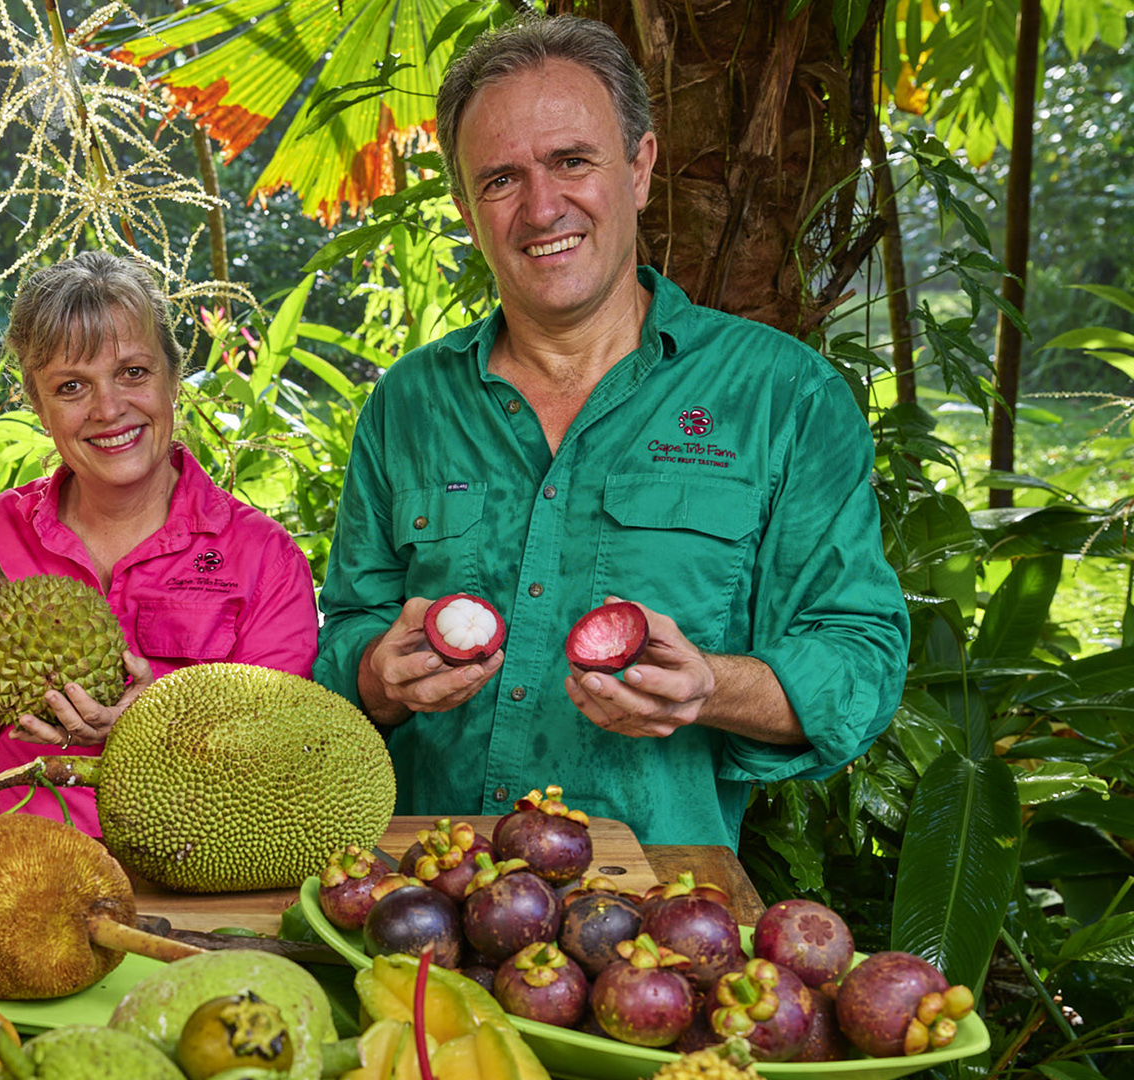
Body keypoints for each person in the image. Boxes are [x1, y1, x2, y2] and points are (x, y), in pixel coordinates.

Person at [313, 15, 909, 849]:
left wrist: (711, 687)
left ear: (639, 167)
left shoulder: (785, 396)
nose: (542, 206)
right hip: (427, 893)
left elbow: (860, 661)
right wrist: (378, 673)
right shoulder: (409, 403)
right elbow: (344, 632)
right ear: (465, 206)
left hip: (658, 927)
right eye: (500, 179)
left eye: (572, 161)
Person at [0, 251, 318, 833]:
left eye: (134, 373)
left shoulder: (261, 557)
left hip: (188, 892)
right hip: (9, 874)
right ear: (38, 406)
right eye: (71, 387)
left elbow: (289, 763)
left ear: (173, 377)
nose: (109, 409)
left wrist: (157, 726)